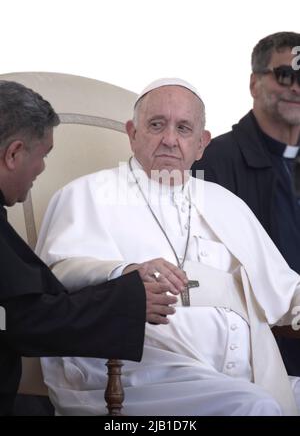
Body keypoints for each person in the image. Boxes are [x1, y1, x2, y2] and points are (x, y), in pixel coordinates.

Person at [37, 78, 300, 416]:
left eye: (184, 128)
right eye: (156, 125)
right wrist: (125, 274)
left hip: (246, 375)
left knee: (255, 399)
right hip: (135, 375)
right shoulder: (87, 193)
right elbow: (58, 273)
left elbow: (284, 290)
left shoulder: (227, 204)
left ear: (202, 143)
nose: (170, 140)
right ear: (132, 133)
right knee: (252, 406)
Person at [0, 80, 178, 416]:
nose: (41, 169)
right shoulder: (84, 194)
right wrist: (128, 298)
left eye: (184, 127)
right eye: (43, 156)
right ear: (13, 154)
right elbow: (17, 318)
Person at [191, 31, 300, 376]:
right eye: (286, 76)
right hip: (259, 344)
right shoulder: (212, 162)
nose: (296, 88)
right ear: (255, 83)